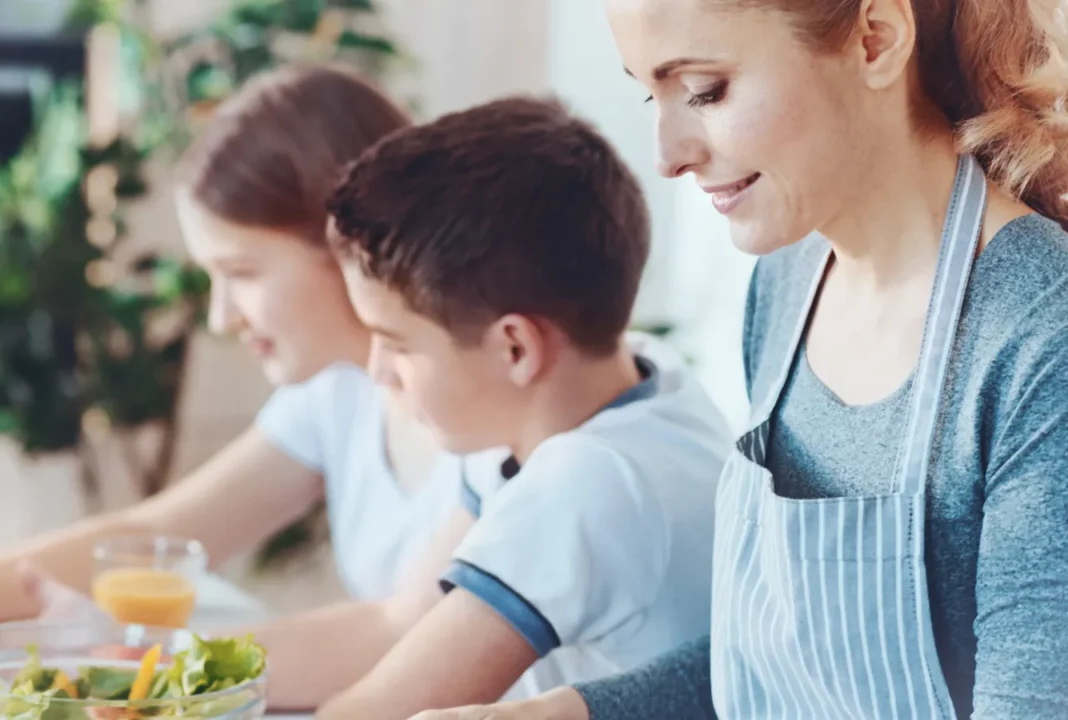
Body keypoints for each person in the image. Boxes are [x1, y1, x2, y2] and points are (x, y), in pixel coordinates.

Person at [412, 0, 1068, 718]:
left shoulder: (1041, 336)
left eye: (703, 91)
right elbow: (775, 670)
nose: (666, 155)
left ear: (876, 39)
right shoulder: (788, 283)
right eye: (648, 92)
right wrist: (555, 713)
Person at [0, 64, 497, 710]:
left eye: (242, 273)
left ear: (347, 245)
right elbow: (159, 535)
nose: (222, 316)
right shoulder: (337, 397)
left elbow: (396, 633)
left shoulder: (486, 418)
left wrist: (135, 660)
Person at [308, 95, 731, 720]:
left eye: (396, 344)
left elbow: (378, 711)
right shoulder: (641, 381)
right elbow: (404, 625)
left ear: (514, 347)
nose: (377, 371)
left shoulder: (588, 480)